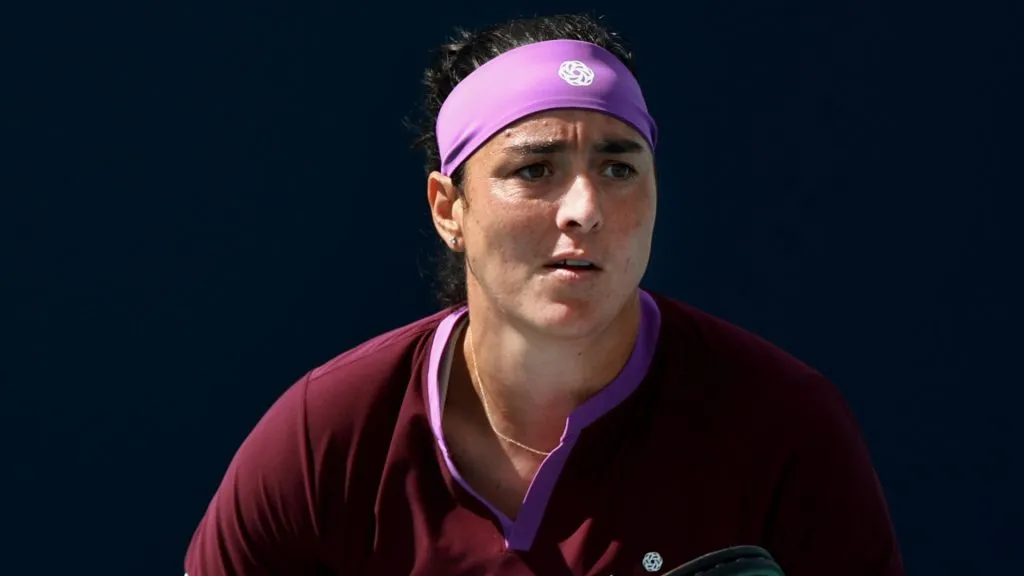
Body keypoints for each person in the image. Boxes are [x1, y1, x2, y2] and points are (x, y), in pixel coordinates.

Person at [184, 12, 904, 576]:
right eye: (534, 170)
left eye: (619, 168)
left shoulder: (783, 425)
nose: (583, 208)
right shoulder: (324, 435)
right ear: (448, 208)